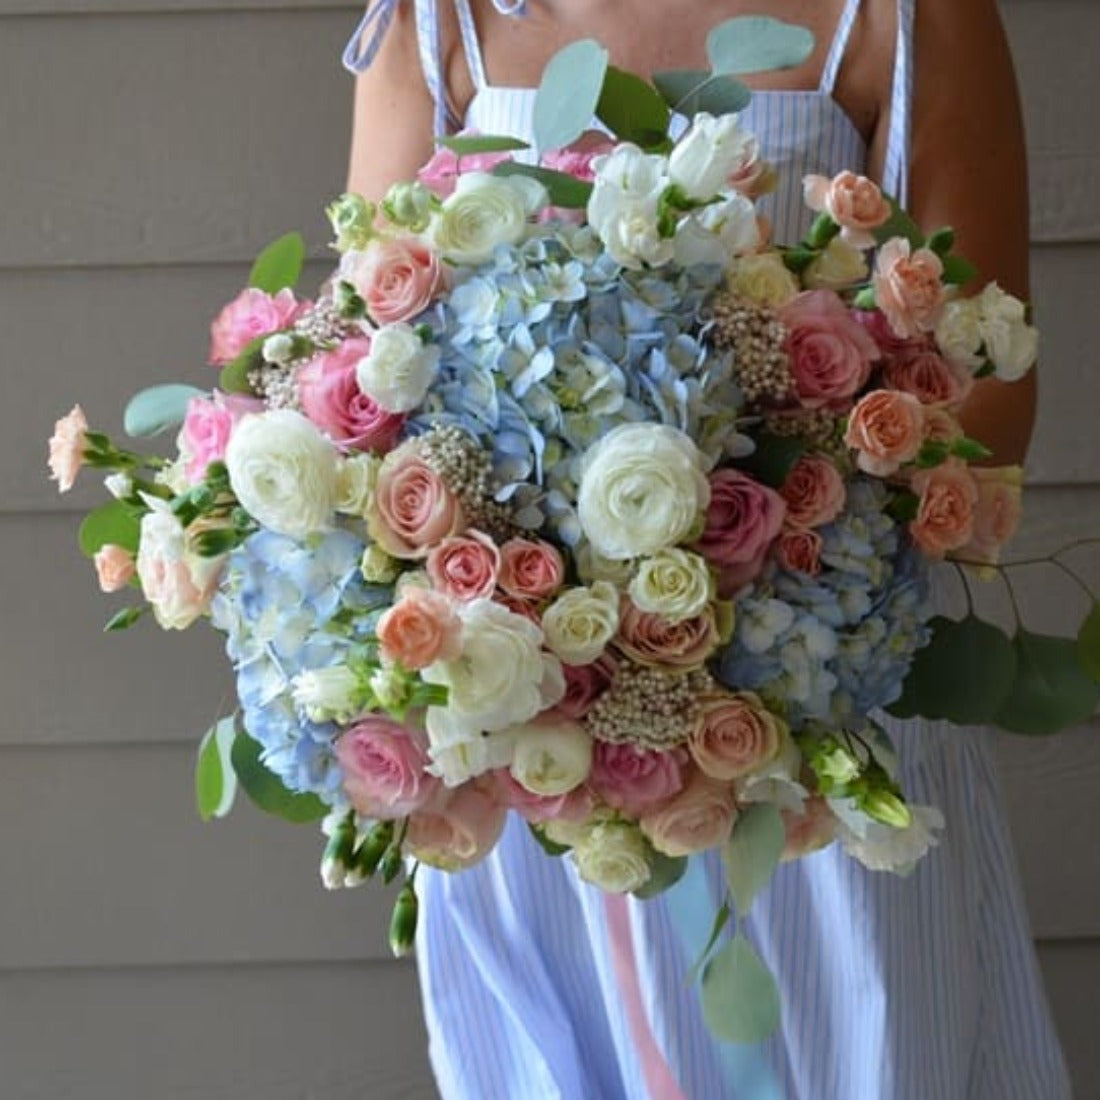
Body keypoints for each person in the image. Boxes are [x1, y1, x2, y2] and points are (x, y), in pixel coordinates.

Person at [343, 2, 1071, 1096]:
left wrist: (735, 532)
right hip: (531, 740)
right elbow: (363, 366)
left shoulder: (905, 17)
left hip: (815, 739)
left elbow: (984, 407)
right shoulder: (435, 21)